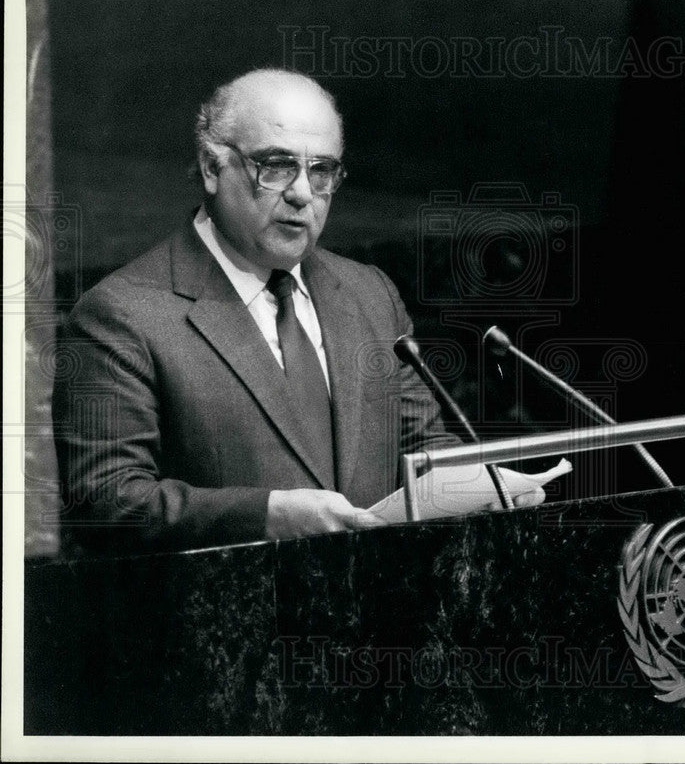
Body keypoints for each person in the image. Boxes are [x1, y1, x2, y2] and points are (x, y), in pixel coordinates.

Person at [54, 68, 466, 553]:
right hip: (230, 620)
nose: (302, 193)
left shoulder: (368, 294)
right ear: (212, 168)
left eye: (322, 171)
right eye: (275, 166)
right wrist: (265, 515)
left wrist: (486, 486)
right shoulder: (122, 315)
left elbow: (424, 451)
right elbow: (107, 503)